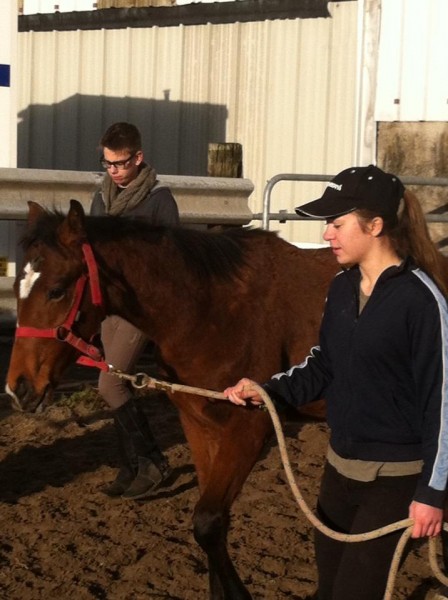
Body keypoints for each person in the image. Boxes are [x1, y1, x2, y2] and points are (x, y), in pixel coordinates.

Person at [223, 164, 448, 600]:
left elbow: (444, 402)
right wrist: (268, 391)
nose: (327, 234)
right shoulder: (342, 287)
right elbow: (325, 364)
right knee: (328, 591)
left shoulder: (423, 302)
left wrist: (433, 492)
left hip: (397, 478)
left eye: (337, 223)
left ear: (375, 225)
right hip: (339, 470)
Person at [91, 122, 180, 500]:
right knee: (117, 383)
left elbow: (172, 259)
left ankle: (152, 460)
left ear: (138, 158)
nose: (113, 171)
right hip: (111, 304)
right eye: (107, 164)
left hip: (141, 306)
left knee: (110, 382)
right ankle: (131, 465)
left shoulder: (160, 199)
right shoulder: (102, 197)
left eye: (120, 164)